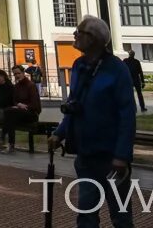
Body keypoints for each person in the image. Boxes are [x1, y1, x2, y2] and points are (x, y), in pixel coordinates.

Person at [52, 16, 136, 228]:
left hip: (110, 155)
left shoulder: (116, 69)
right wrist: (60, 133)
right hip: (86, 154)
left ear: (93, 38)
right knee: (86, 213)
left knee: (121, 215)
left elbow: (127, 114)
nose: (75, 35)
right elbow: (74, 105)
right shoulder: (79, 65)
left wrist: (121, 156)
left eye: (79, 32)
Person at [2, 64, 43, 150]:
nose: (17, 76)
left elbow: (35, 104)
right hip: (19, 112)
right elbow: (14, 101)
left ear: (23, 73)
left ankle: (4, 140)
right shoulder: (16, 86)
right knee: (9, 115)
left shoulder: (31, 85)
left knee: (8, 112)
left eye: (18, 73)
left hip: (31, 113)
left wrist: (25, 106)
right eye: (15, 74)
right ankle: (10, 143)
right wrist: (18, 105)